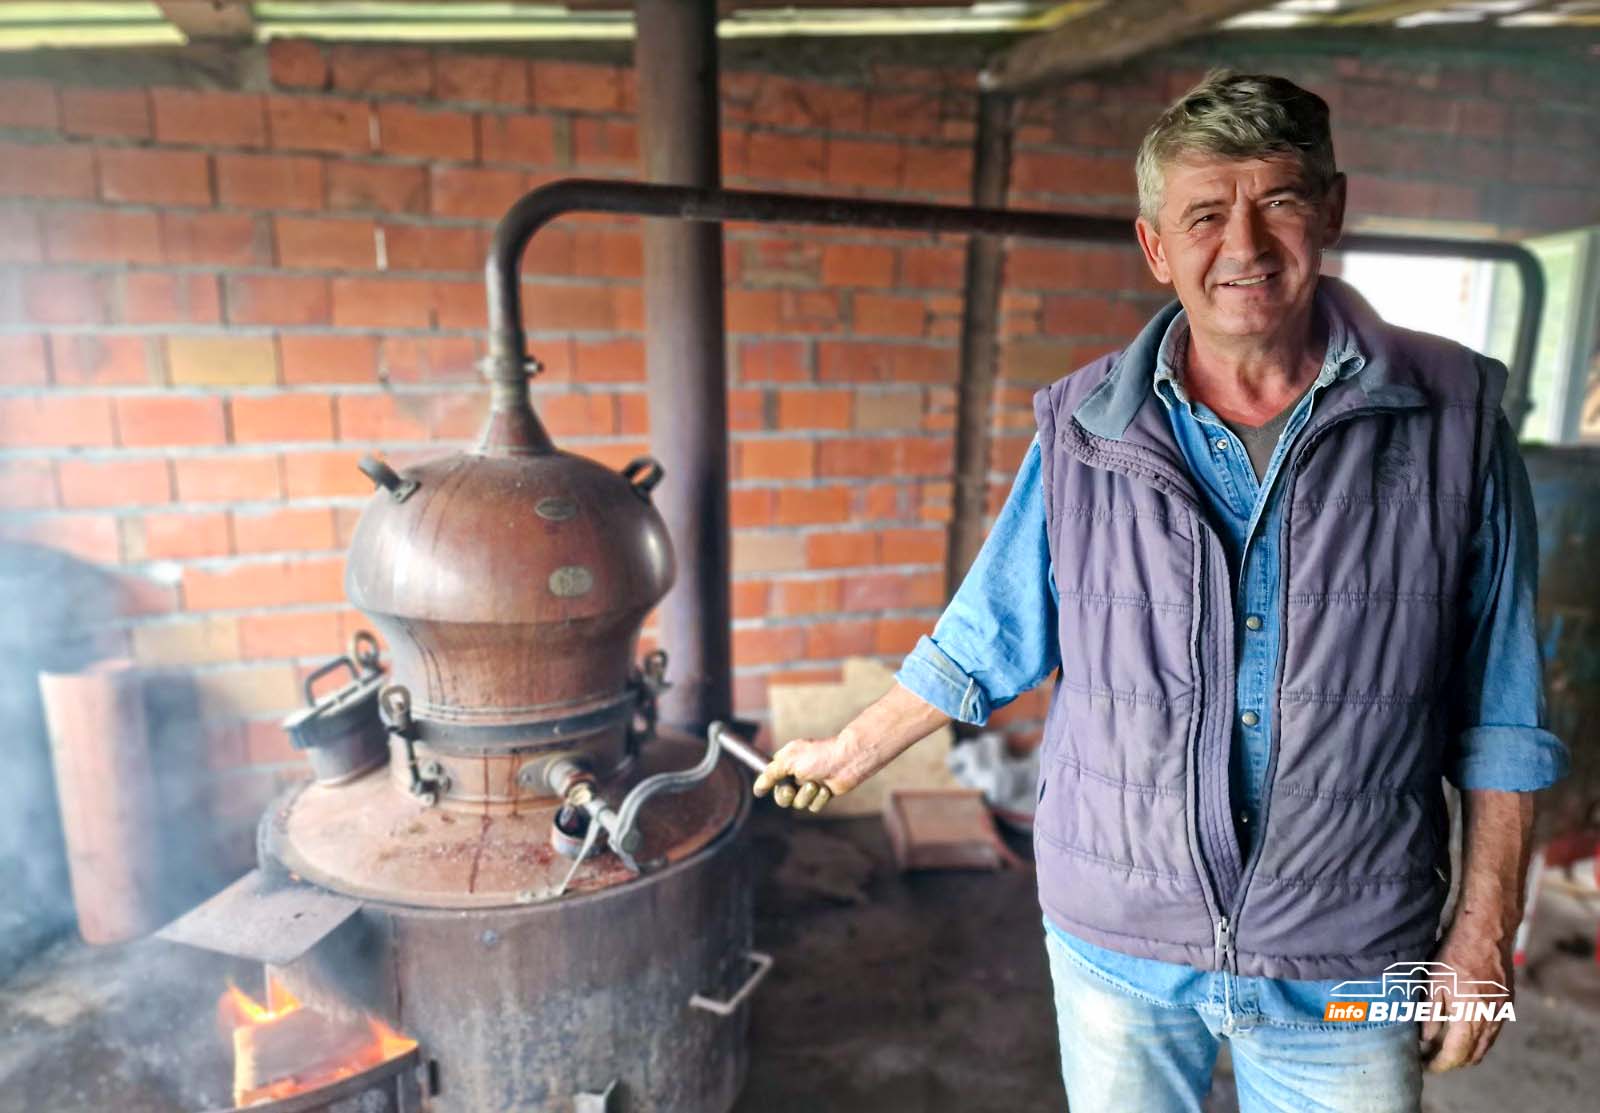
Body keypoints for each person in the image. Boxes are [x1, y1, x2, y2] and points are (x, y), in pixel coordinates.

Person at [753, 70, 1568, 1112]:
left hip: (1350, 954)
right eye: (1203, 215)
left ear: (1331, 210)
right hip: (1116, 944)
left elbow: (1502, 707)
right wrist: (845, 752)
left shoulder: (1453, 419)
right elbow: (986, 634)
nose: (1243, 245)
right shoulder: (1085, 429)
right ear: (1155, 248)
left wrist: (1482, 933)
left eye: (1276, 200)